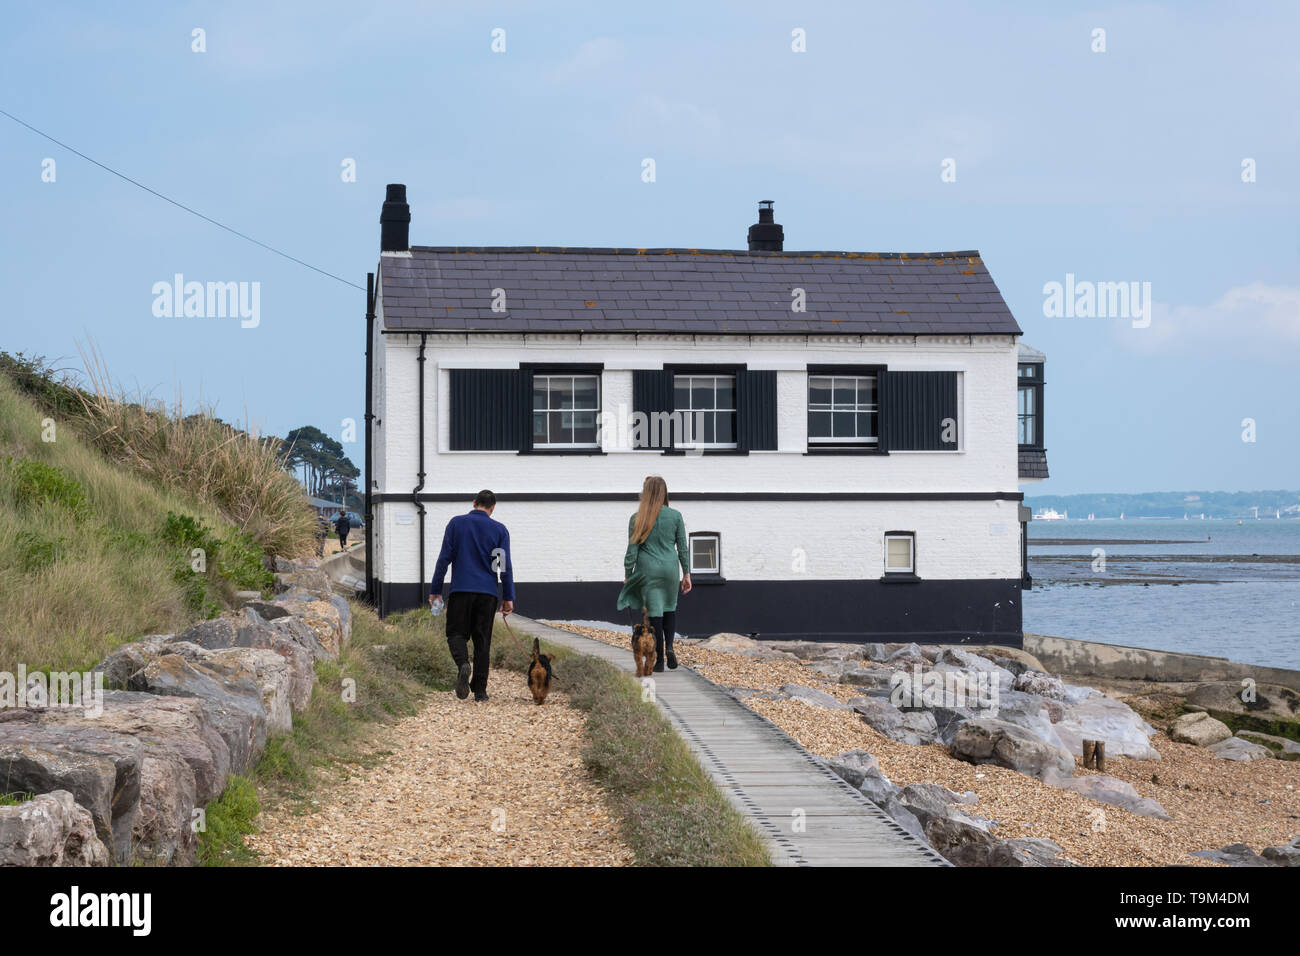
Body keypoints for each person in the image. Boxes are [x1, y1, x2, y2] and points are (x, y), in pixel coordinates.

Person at [430, 489, 516, 702]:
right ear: (492, 508)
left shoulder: (456, 524)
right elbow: (503, 567)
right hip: (487, 593)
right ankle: (480, 691)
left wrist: (435, 590)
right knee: (482, 641)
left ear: (474, 502)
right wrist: (508, 596)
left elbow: (444, 559)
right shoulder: (499, 530)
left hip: (461, 590)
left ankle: (462, 664)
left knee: (455, 634)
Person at [616, 476, 691, 672]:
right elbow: (683, 548)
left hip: (647, 570)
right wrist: (687, 574)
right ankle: (670, 647)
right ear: (665, 493)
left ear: (646, 493)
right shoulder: (675, 516)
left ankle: (657, 661)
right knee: (670, 608)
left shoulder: (637, 518)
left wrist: (628, 574)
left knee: (654, 613)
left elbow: (631, 551)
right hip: (670, 569)